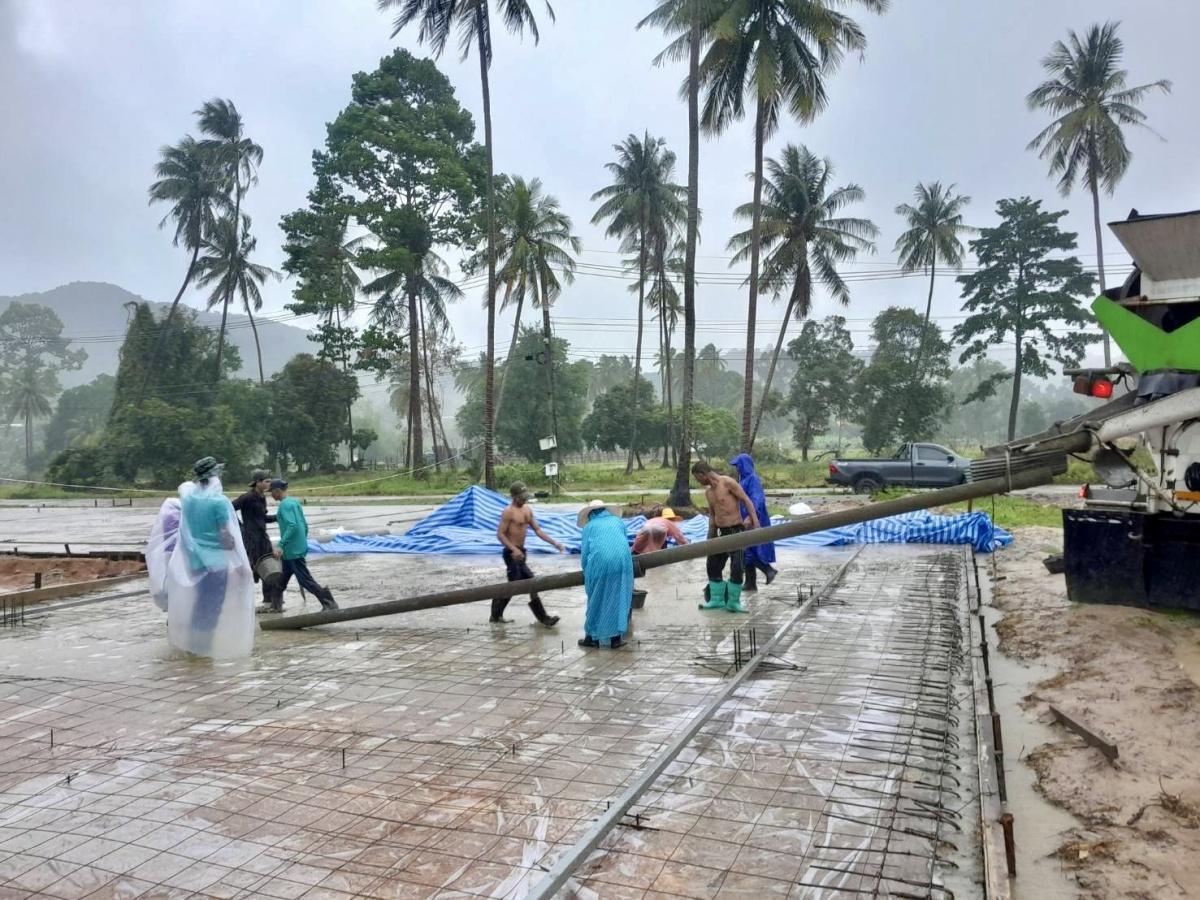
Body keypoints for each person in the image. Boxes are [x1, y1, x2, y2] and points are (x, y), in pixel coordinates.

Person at [164, 457, 255, 658]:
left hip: (195, 563)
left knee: (199, 604)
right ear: (214, 476)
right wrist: (240, 562)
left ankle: (193, 645)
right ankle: (204, 649)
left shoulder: (189, 500)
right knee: (212, 608)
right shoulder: (218, 502)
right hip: (216, 565)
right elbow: (225, 536)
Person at [692, 460, 759, 614]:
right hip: (720, 533)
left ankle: (733, 603)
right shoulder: (708, 493)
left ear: (703, 474)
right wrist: (709, 539)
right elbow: (712, 515)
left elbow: (746, 500)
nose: (698, 481)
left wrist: (755, 522)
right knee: (712, 564)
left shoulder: (728, 483)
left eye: (697, 478)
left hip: (736, 531)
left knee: (737, 566)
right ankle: (717, 600)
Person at [493, 482, 563, 627]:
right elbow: (500, 534)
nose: (524, 499)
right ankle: (496, 614)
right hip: (511, 554)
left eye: (525, 497)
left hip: (522, 553)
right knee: (516, 585)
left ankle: (542, 618)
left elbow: (538, 530)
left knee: (530, 583)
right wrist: (514, 549)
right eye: (521, 497)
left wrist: (554, 543)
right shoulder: (508, 512)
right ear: (514, 497)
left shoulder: (527, 510)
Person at [270, 479, 338, 611]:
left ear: (277, 491)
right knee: (282, 579)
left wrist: (280, 545)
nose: (271, 495)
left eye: (271, 492)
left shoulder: (284, 505)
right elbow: (304, 525)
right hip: (293, 549)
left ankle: (329, 602)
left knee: (305, 580)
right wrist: (301, 540)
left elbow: (292, 525)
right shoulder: (294, 502)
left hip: (292, 550)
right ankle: (275, 606)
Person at [577, 500, 634, 649]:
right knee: (619, 596)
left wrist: (587, 572)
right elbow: (624, 542)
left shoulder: (589, 527)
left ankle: (591, 638)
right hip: (624, 561)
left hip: (601, 562)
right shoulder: (618, 522)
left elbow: (585, 554)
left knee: (595, 597)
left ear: (591, 514)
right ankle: (616, 639)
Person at [233, 469, 284, 612]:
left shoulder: (262, 498)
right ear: (258, 482)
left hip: (263, 538)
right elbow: (229, 509)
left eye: (269, 481)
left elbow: (262, 519)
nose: (269, 484)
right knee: (252, 569)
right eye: (266, 481)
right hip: (251, 540)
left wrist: (278, 517)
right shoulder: (247, 497)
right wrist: (241, 527)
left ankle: (269, 601)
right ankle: (239, 602)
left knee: (268, 567)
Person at [730, 454, 778, 591]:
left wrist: (752, 517)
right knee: (748, 550)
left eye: (738, 465)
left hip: (755, 518)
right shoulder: (742, 480)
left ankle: (768, 570)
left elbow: (757, 499)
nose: (737, 468)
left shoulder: (753, 479)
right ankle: (750, 583)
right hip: (745, 518)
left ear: (744, 465)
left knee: (747, 550)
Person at [146, 497, 181, 612]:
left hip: (167, 553)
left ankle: (170, 607)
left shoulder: (167, 516)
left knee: (169, 579)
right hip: (177, 554)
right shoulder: (176, 516)